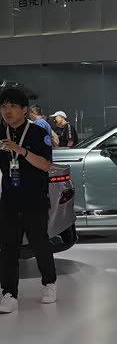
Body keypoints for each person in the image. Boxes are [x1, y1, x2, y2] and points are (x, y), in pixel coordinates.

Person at [0, 88, 57, 314]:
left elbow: (45, 165)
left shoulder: (37, 133)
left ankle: (49, 282)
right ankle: (9, 293)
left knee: (39, 243)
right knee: (8, 248)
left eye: (13, 106)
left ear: (24, 110)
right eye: (3, 106)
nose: (7, 111)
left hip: (34, 199)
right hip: (9, 200)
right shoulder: (0, 132)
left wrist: (20, 151)